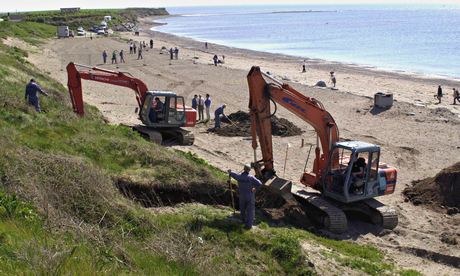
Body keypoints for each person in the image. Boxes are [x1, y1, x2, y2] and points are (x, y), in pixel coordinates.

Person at [228, 164, 262, 229]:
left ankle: (243, 221)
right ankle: (249, 225)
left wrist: (230, 172)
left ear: (244, 169)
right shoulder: (251, 177)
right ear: (249, 170)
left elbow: (233, 175)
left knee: (242, 208)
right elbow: (259, 183)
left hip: (242, 195)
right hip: (250, 195)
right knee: (250, 210)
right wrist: (255, 188)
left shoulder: (239, 176)